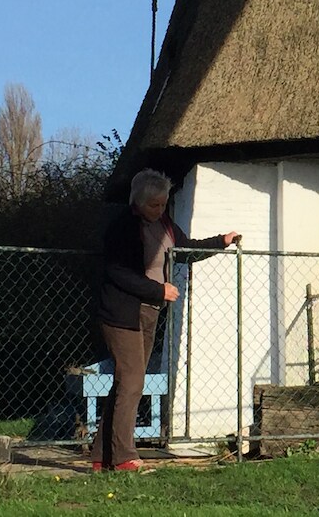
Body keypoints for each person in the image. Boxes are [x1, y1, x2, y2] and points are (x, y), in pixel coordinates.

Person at [91, 168, 239, 472]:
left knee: (126, 382)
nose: (159, 209)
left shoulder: (165, 224)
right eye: (154, 204)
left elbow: (185, 250)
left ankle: (102, 455)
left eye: (163, 203)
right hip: (121, 314)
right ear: (137, 201)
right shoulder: (123, 227)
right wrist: (159, 290)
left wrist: (220, 241)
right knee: (132, 382)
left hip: (149, 311)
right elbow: (118, 272)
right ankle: (123, 458)